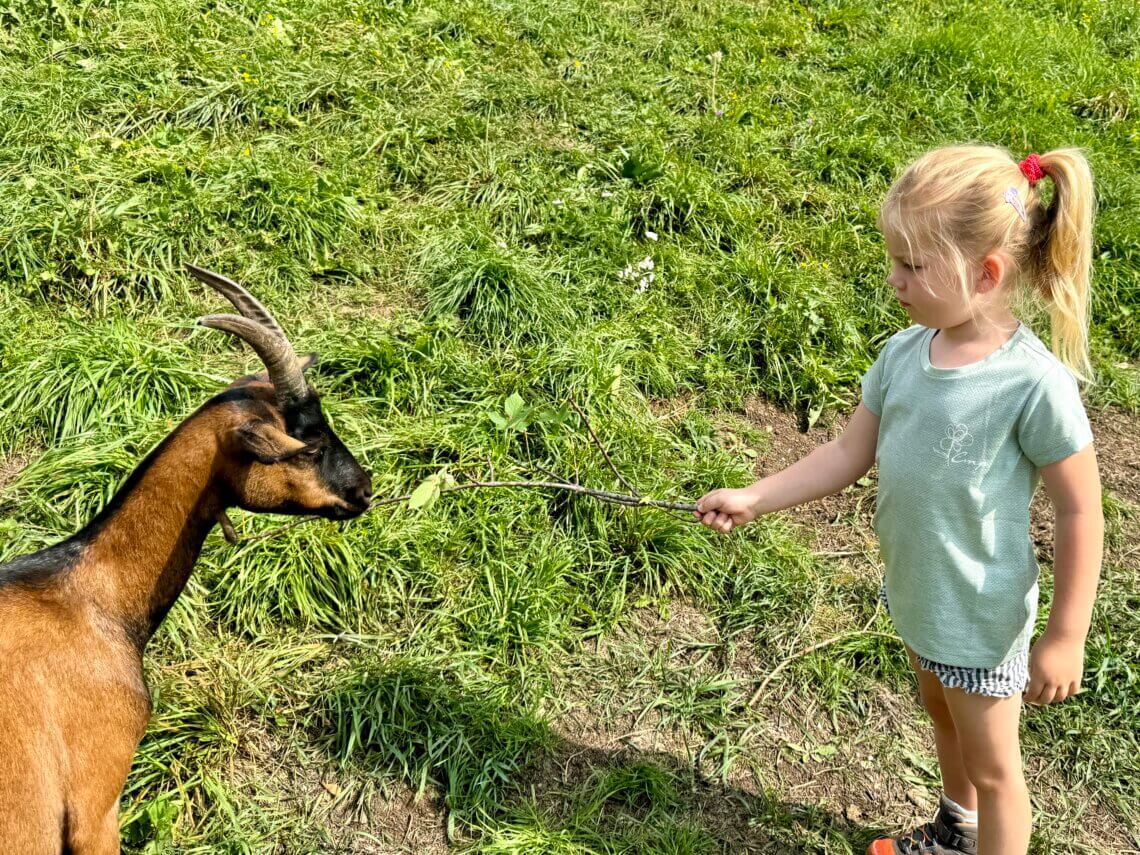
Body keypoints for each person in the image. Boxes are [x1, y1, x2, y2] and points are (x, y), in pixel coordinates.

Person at [695, 145, 1104, 855]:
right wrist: (757, 496)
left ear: (987, 274)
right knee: (940, 714)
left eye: (913, 266)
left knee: (996, 767)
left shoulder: (1033, 385)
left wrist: (1065, 634)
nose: (895, 279)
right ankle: (957, 830)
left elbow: (1081, 509)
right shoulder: (904, 354)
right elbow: (849, 453)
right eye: (895, 259)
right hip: (921, 595)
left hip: (979, 615)